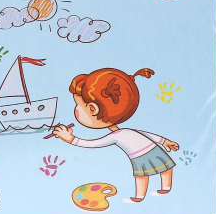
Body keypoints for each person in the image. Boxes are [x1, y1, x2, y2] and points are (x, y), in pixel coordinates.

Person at [52, 67, 179, 202]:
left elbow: (94, 143)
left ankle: (146, 194)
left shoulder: (116, 136)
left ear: (92, 109)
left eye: (78, 105)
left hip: (143, 154)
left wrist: (70, 139)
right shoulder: (121, 132)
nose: (76, 110)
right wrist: (164, 141)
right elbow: (145, 135)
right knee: (160, 169)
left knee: (146, 174)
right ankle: (155, 191)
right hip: (149, 151)